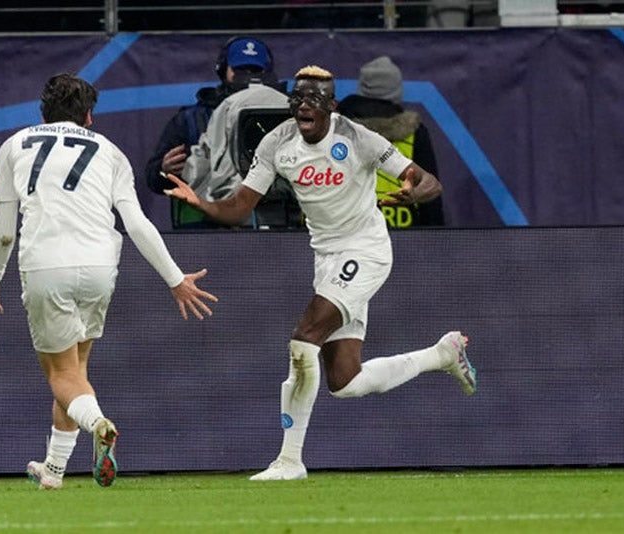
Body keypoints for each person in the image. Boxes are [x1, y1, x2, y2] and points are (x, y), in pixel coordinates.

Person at [165, 65, 476, 481]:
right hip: (327, 259)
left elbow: (428, 182)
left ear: (331, 106)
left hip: (366, 252)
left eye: (313, 99)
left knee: (303, 338)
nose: (302, 105)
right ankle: (441, 354)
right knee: (345, 381)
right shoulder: (276, 142)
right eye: (297, 97)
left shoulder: (358, 137)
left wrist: (412, 191)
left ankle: (289, 461)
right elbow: (240, 208)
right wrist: (202, 203)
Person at [0, 73, 218, 490]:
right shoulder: (113, 153)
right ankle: (54, 471)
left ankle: (99, 424)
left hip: (46, 264)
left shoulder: (14, 146)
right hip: (100, 265)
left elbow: (5, 230)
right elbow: (136, 224)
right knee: (76, 370)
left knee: (60, 374)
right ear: (89, 116)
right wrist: (175, 278)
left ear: (42, 112)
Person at [144, 36, 284, 228]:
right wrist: (164, 169)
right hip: (205, 232)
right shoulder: (192, 119)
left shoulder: (289, 115)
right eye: (240, 70)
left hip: (278, 229)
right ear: (222, 70)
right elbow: (154, 179)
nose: (248, 76)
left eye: (255, 70)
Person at [337, 56, 445, 228]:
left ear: (362, 87)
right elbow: (429, 194)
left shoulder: (340, 128)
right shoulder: (414, 132)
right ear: (397, 91)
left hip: (349, 227)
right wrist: (436, 237)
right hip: (405, 231)